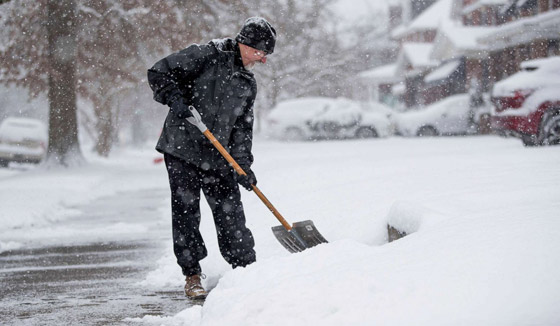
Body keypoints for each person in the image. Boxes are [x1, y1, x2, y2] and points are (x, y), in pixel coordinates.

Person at [147, 17, 276, 299]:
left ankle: (245, 269)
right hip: (182, 148)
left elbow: (242, 129)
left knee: (230, 211)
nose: (263, 59)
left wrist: (243, 166)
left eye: (265, 54)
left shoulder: (247, 83)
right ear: (245, 43)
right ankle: (191, 274)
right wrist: (177, 100)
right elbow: (159, 73)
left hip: (219, 156)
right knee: (186, 212)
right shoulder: (207, 56)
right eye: (260, 52)